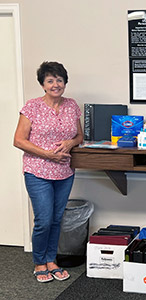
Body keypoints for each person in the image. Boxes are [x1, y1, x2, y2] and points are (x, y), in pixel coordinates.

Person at [14, 61, 83, 283]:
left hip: (64, 172)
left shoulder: (72, 105)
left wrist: (70, 143)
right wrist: (48, 154)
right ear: (43, 84)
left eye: (59, 80)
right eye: (50, 80)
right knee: (44, 219)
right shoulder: (32, 106)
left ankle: (51, 260)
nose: (55, 84)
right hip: (37, 171)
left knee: (56, 219)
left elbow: (79, 136)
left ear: (65, 83)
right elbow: (18, 140)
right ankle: (39, 262)